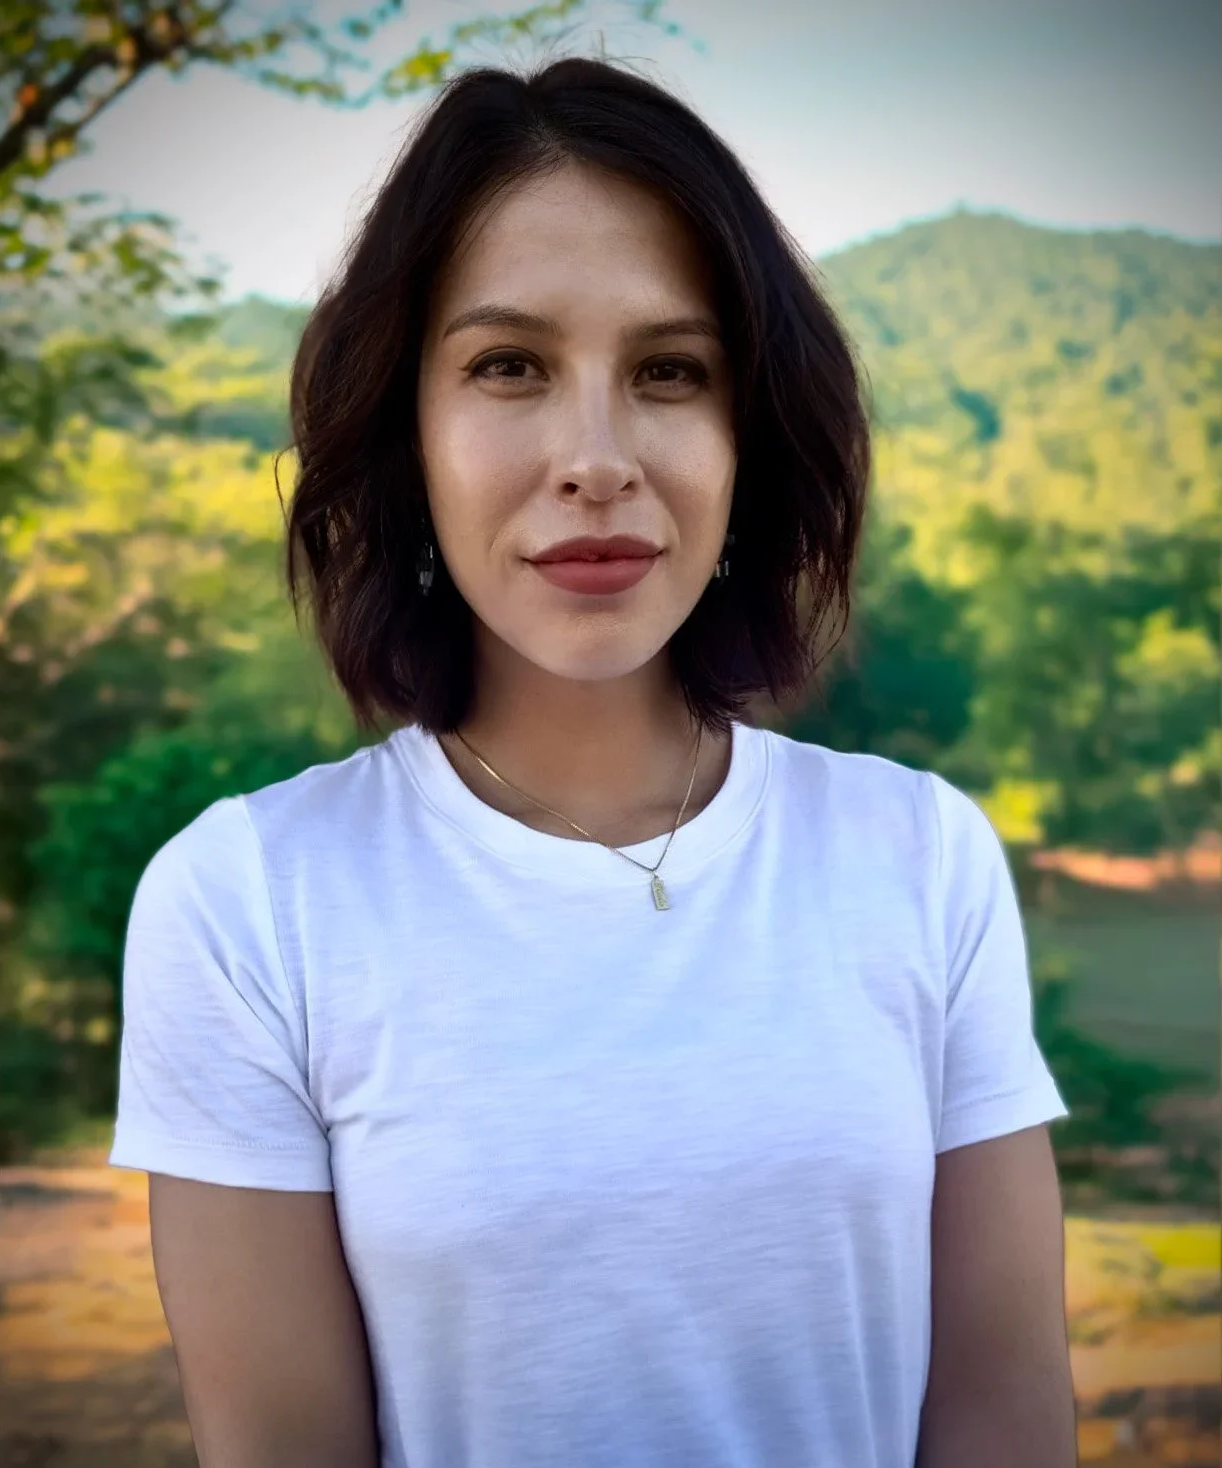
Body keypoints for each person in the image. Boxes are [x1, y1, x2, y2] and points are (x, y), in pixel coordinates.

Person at [108, 55, 1078, 1468]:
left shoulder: (919, 856)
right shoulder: (251, 902)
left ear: (747, 436)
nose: (595, 455)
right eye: (509, 367)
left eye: (669, 373)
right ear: (406, 434)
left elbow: (1001, 1413)